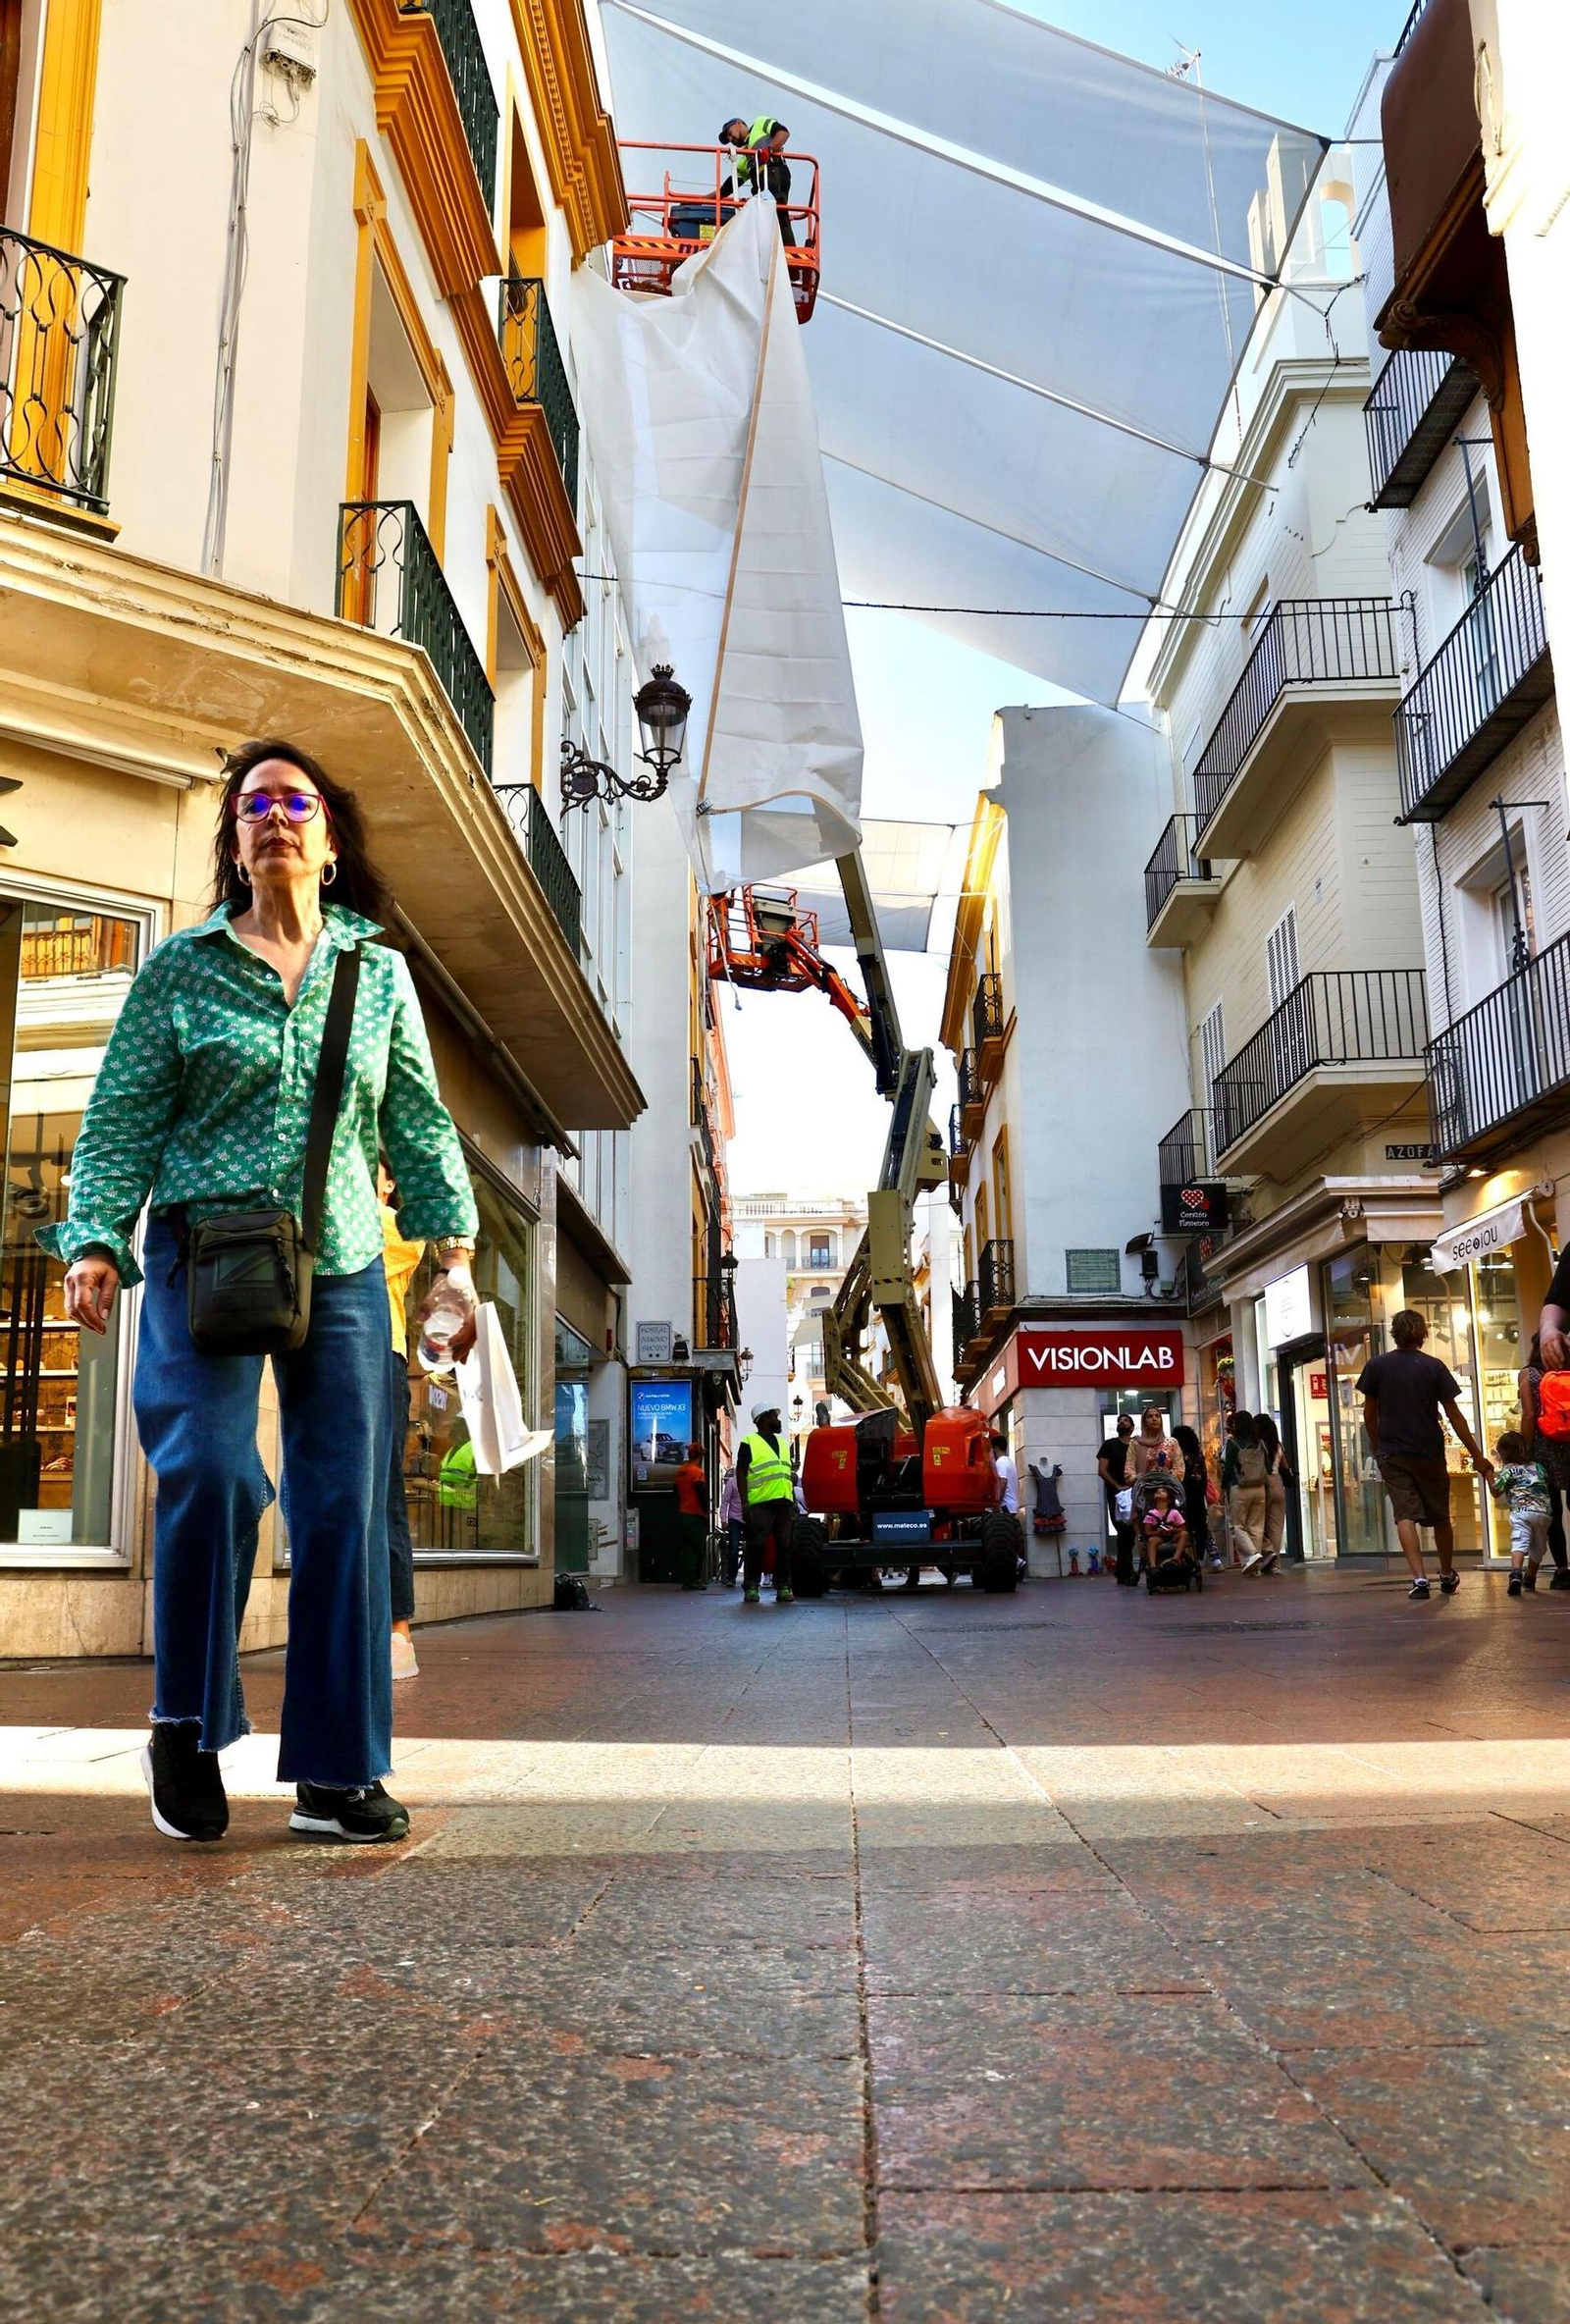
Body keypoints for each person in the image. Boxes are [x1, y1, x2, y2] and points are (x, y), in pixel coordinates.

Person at [47, 738, 479, 1848]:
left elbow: (420, 1124)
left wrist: (454, 1261)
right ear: (236, 844)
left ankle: (337, 1773)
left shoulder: (373, 971)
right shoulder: (181, 969)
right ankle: (185, 1721)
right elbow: (119, 1117)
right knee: (213, 1471)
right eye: (253, 807)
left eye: (296, 802)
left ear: (329, 842)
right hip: (204, 1251)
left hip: (336, 1263)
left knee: (342, 1506)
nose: (274, 818)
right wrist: (95, 1238)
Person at [1357, 1308, 1493, 1601]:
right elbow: (1454, 1415)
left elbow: (1370, 1413)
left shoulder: (1376, 1366)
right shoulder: (1434, 1367)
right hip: (1429, 1450)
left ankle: (1419, 1578)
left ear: (1395, 1332)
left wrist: (1377, 1446)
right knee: (1441, 1516)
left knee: (1404, 1515)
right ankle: (1446, 1574)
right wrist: (1476, 1454)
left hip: (1393, 1452)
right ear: (1423, 1333)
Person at [378, 1160, 426, 1680]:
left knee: (386, 1496)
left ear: (391, 1183)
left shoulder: (397, 1228)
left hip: (380, 1356)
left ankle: (399, 1633)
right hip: (324, 1358)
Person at [1517, 1336, 1570, 1589]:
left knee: (1553, 1513)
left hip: (1543, 1450)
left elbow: (1528, 1414)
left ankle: (1562, 1570)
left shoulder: (1530, 1374)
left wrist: (1524, 1450)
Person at [738, 1400, 795, 1606]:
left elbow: (784, 1472)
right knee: (757, 1545)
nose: (777, 1419)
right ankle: (751, 1586)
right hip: (760, 1503)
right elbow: (741, 1473)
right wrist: (745, 1504)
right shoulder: (749, 1442)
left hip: (783, 1503)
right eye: (774, 1415)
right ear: (763, 1418)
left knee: (784, 1546)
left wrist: (792, 1500)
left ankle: (783, 1586)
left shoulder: (782, 1443)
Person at [1490, 1430, 1551, 1597]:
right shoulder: (1538, 1467)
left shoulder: (1509, 1469)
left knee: (1520, 1541)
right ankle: (1530, 1578)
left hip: (1521, 1512)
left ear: (1503, 1453)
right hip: (1543, 1513)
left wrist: (1488, 1475)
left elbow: (1496, 1491)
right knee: (1538, 1547)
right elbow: (1545, 1482)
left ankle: (1516, 1574)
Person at [718, 115, 796, 244]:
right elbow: (730, 185)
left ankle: (791, 253)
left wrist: (769, 150)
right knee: (762, 218)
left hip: (774, 173)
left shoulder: (759, 123)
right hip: (761, 186)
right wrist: (705, 199)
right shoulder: (745, 154)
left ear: (738, 124)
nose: (731, 139)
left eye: (730, 133)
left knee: (778, 214)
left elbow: (783, 133)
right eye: (729, 139)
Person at [1222, 1410, 1270, 1571]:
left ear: (1237, 1425)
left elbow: (1228, 1469)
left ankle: (1252, 1554)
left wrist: (1223, 1488)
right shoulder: (1260, 1443)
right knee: (1256, 1527)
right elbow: (1268, 1467)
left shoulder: (1232, 1444)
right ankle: (1253, 1566)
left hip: (1240, 1487)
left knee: (1238, 1526)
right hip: (1260, 1488)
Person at [1097, 1412, 1137, 1585]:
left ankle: (1123, 1571)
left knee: (1131, 1532)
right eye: (1119, 1420)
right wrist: (1117, 1486)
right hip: (1118, 1496)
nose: (1122, 1422)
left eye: (1126, 1420)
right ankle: (1126, 1571)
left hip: (1135, 1493)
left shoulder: (1136, 1445)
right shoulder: (1109, 1445)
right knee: (1123, 1530)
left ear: (1132, 1427)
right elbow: (1102, 1470)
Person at [1256, 1411, 1294, 1576]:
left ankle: (1267, 1554)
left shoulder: (1257, 1445)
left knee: (1257, 1524)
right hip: (1278, 1482)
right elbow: (1285, 1466)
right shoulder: (1277, 1445)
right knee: (1276, 1527)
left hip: (1263, 1484)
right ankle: (1275, 1564)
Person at [1172, 1423, 1214, 1569]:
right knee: (1201, 1525)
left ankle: (1186, 1557)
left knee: (1184, 1525)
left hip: (1183, 1491)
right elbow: (1203, 1475)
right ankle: (1200, 1557)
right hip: (1197, 1491)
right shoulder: (1198, 1454)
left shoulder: (1179, 1454)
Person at [673, 1443, 710, 1591]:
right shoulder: (697, 1473)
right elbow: (702, 1494)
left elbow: (675, 1491)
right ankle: (695, 1579)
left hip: (683, 1513)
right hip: (695, 1515)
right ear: (700, 1456)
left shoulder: (681, 1471)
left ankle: (687, 1580)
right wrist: (706, 1510)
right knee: (697, 1548)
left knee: (686, 1548)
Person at [1141, 1483, 1193, 1580]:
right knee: (1151, 1540)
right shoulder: (1151, 1514)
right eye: (1157, 1491)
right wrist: (1158, 1532)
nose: (1159, 1492)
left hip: (1173, 1536)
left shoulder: (1174, 1513)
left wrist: (1174, 1529)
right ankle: (1153, 1567)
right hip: (1159, 1537)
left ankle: (1175, 1558)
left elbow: (1183, 1528)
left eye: (1163, 1491)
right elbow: (1147, 1532)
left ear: (1169, 1499)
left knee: (1184, 1534)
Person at [1133, 1404, 1182, 1484]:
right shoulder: (1136, 1443)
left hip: (1167, 1489)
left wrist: (1166, 1473)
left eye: (1157, 1416)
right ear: (1144, 1422)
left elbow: (1180, 1471)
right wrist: (1138, 1477)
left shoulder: (1172, 1442)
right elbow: (1129, 1472)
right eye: (1150, 1416)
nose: (1154, 1419)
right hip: (1143, 1489)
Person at [718, 1463, 745, 1585]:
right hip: (735, 1519)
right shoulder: (732, 1483)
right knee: (733, 1549)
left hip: (748, 1518)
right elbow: (725, 1502)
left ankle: (750, 1579)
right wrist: (724, 1520)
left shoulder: (752, 1482)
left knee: (753, 1547)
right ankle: (731, 1577)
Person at [990, 1430, 1020, 1515]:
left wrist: (997, 1503)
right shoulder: (1010, 1462)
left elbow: (1002, 1482)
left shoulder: (1000, 1462)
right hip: (1012, 1506)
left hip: (1005, 1507)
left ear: (995, 1449)